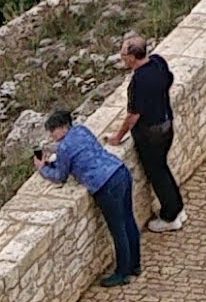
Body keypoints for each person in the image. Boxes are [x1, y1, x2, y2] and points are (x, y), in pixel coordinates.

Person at [39, 104, 141, 285]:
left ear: (63, 127)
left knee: (118, 228)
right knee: (128, 219)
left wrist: (43, 168)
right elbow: (80, 153)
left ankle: (122, 273)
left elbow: (60, 176)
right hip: (119, 170)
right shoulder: (82, 130)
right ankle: (135, 264)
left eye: (53, 130)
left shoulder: (64, 147)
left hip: (105, 184)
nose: (51, 135)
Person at [124, 34, 184, 222]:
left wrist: (117, 137)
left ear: (132, 57)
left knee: (157, 174)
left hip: (151, 135)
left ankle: (170, 216)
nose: (122, 57)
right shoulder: (158, 62)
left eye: (123, 54)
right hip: (167, 126)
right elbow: (169, 80)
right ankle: (178, 207)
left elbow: (133, 116)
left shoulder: (138, 81)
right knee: (163, 169)